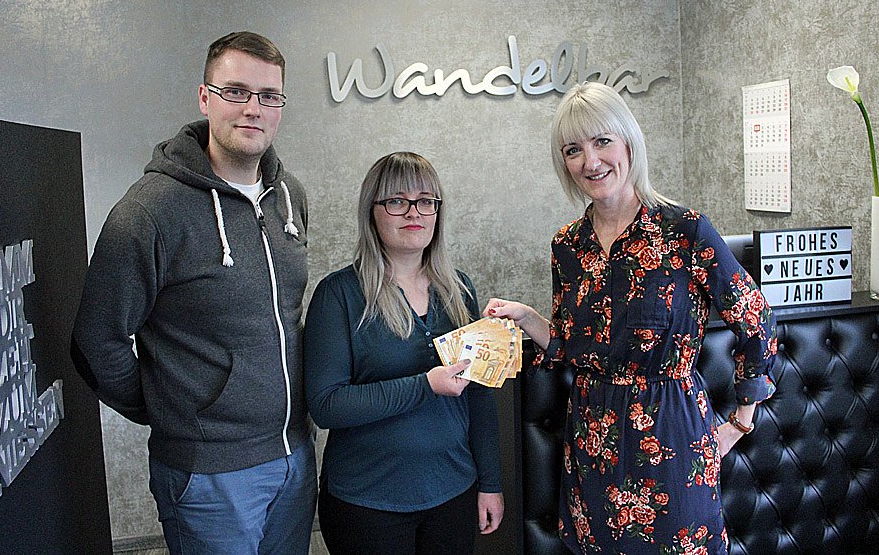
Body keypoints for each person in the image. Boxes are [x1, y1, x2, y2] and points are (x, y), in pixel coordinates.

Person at [485, 82, 777, 554]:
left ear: (628, 142)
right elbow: (570, 346)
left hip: (672, 436)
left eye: (602, 141)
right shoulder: (568, 245)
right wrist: (527, 316)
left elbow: (755, 318)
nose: (590, 161)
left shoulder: (683, 230)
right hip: (592, 440)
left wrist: (742, 420)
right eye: (573, 150)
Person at [70, 31, 316, 554]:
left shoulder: (289, 195)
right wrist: (168, 407)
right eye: (236, 91)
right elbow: (96, 340)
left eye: (269, 95)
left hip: (295, 456)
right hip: (209, 475)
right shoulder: (149, 212)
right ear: (205, 98)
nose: (253, 108)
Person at [304, 152, 504, 555]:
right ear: (372, 212)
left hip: (454, 491)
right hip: (367, 502)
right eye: (397, 201)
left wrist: (491, 482)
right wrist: (425, 386)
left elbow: (479, 397)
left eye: (426, 201)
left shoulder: (459, 290)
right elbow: (327, 406)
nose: (413, 212)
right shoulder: (338, 295)